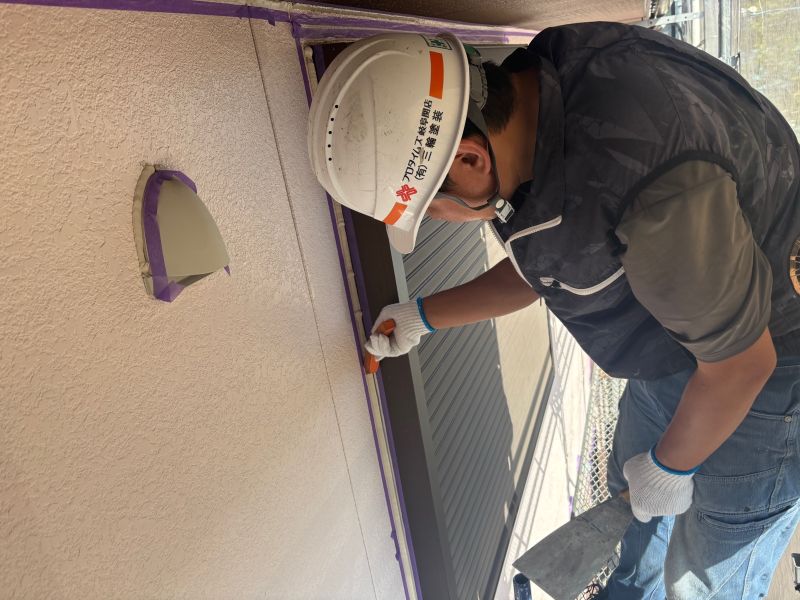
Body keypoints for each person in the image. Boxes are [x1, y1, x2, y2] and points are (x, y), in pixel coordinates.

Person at [308, 23, 800, 599]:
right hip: (689, 336)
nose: (441, 220)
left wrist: (671, 467)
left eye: (433, 209)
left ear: (469, 159)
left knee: (704, 577)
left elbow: (741, 367)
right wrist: (425, 315)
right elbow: (551, 264)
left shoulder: (653, 190)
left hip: (768, 372)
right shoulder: (543, 93)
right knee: (634, 505)